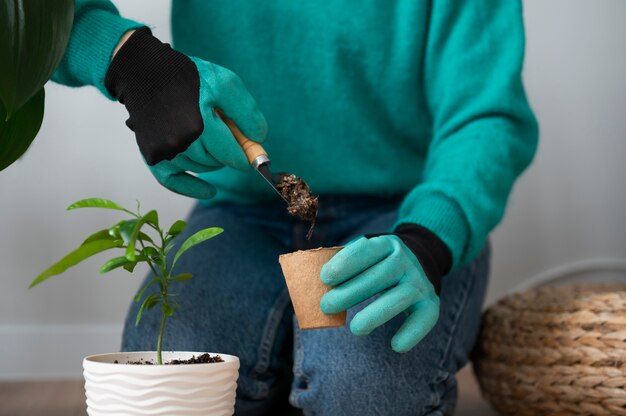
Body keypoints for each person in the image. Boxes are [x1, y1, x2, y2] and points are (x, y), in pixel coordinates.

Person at [53, 1, 538, 414]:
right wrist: (129, 60)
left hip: (401, 222)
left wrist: (430, 238)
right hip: (241, 211)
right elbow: (32, 18)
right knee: (167, 387)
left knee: (363, 384)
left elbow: (487, 113)